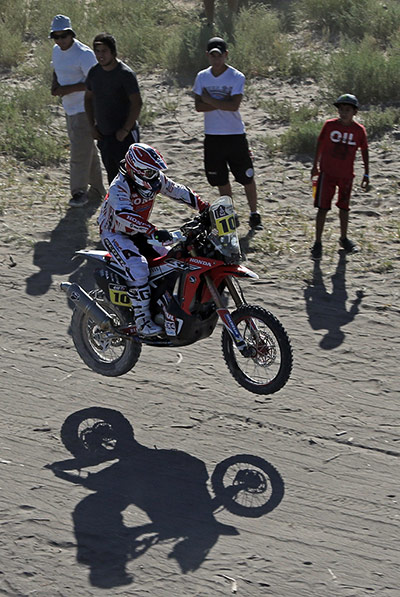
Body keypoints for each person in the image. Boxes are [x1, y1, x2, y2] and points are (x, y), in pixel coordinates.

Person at [98, 143, 209, 336]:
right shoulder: (119, 187)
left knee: (172, 261)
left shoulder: (155, 179)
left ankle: (164, 309)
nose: (154, 175)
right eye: (149, 171)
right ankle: (142, 321)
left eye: (155, 171)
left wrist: (205, 207)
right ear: (137, 170)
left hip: (139, 232)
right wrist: (153, 231)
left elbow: (178, 191)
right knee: (138, 267)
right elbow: (124, 214)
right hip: (114, 233)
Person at [193, 36, 263, 230]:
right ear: (208, 56)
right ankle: (230, 214)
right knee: (220, 179)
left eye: (220, 55)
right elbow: (199, 106)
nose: (216, 60)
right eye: (213, 56)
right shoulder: (202, 77)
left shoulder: (236, 77)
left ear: (226, 55)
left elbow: (234, 106)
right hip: (213, 136)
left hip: (234, 134)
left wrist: (210, 100)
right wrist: (220, 102)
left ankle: (254, 213)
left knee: (246, 176)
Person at [49, 14, 105, 207]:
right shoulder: (56, 51)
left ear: (71, 34)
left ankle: (79, 192)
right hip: (69, 108)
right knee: (86, 150)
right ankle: (98, 189)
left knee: (78, 154)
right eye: (56, 36)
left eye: (63, 36)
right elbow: (56, 69)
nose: (60, 40)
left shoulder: (84, 54)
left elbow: (96, 82)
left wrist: (67, 89)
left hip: (85, 109)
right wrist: (55, 85)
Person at [310, 93, 369, 260]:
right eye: (341, 110)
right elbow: (320, 143)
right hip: (327, 174)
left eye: (347, 110)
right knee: (322, 208)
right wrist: (315, 165)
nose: (343, 113)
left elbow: (364, 150)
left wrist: (366, 173)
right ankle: (318, 242)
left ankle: (343, 238)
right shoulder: (329, 126)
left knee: (344, 208)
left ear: (354, 112)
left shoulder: (359, 130)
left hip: (346, 176)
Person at [84, 33, 143, 184]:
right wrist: (92, 126)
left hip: (125, 136)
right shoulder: (94, 73)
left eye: (104, 51)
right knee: (113, 178)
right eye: (97, 51)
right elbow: (88, 99)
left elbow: (137, 104)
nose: (100, 55)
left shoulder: (125, 74)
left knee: (131, 177)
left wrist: (125, 130)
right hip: (105, 135)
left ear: (113, 52)